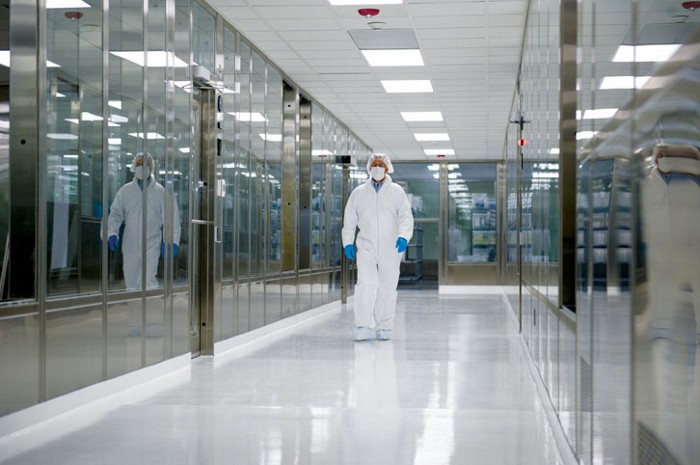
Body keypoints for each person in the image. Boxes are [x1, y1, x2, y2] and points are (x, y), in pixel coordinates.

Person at [342, 153, 414, 341]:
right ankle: (363, 326)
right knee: (365, 284)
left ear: (387, 168)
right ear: (369, 168)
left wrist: (404, 236)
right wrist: (348, 241)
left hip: (392, 247)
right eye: (374, 164)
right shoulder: (359, 192)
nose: (377, 167)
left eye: (381, 164)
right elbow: (349, 218)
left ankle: (384, 327)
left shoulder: (396, 191)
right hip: (366, 246)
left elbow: (406, 216)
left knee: (387, 287)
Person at [107, 153, 181, 290]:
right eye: (139, 164)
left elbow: (171, 218)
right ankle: (134, 310)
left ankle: (151, 310)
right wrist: (111, 233)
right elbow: (115, 214)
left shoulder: (161, 192)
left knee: (148, 280)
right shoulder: (125, 191)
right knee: (131, 279)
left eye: (145, 164)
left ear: (151, 168)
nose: (142, 167)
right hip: (130, 244)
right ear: (134, 167)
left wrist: (171, 241)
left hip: (151, 243)